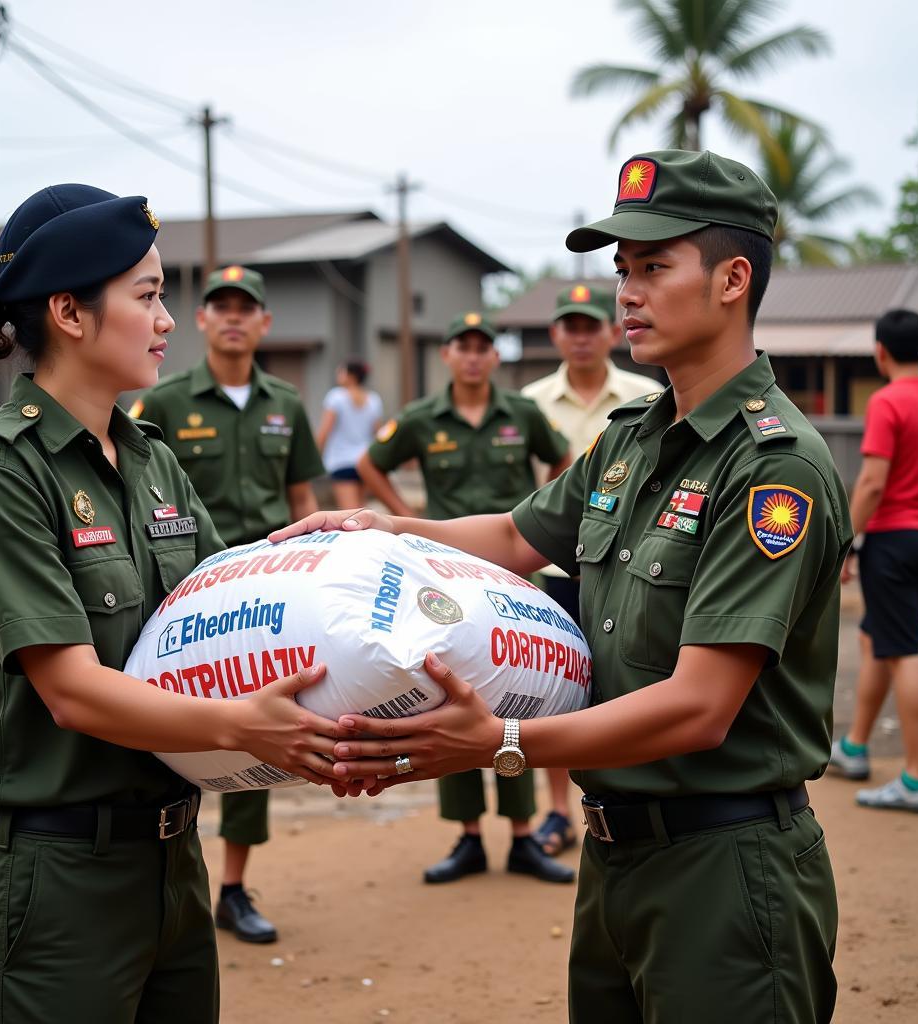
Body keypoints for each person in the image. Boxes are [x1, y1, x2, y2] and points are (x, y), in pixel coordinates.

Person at [277, 150, 851, 1023]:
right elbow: (515, 535)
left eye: (654, 267)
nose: (627, 291)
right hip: (614, 854)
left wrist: (500, 742)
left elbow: (700, 708)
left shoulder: (776, 469)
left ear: (734, 279)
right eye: (623, 270)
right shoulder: (630, 440)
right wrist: (388, 529)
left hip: (727, 867)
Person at [0, 186, 343, 1022]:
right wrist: (247, 727)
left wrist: (305, 556)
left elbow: (209, 604)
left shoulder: (150, 459)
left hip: (170, 863)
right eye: (148, 296)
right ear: (70, 313)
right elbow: (72, 690)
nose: (169, 321)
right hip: (55, 882)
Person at [129, 264, 324, 944]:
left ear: (265, 323)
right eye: (221, 306)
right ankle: (162, 872)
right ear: (204, 320)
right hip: (189, 592)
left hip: (271, 590)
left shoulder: (286, 403)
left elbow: (303, 499)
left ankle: (234, 886)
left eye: (248, 308)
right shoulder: (166, 401)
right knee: (175, 729)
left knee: (259, 727)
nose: (234, 317)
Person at [357, 311, 575, 885]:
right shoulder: (423, 418)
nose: (474, 356)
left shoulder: (521, 413)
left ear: (494, 357)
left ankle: (524, 833)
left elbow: (562, 462)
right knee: (447, 689)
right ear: (448, 355)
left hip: (513, 575)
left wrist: (538, 508)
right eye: (463, 347)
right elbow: (369, 464)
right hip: (444, 569)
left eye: (483, 347)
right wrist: (409, 520)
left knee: (516, 696)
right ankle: (469, 835)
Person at [521, 282, 655, 856]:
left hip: (628, 573)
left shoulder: (648, 396)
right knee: (555, 692)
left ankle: (620, 797)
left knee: (625, 686)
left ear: (609, 332)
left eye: (590, 326)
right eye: (569, 327)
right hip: (553, 571)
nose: (580, 337)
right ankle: (557, 809)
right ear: (556, 335)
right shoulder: (529, 402)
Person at [830, 308, 918, 812]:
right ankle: (855, 747)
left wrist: (844, 541)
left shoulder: (888, 401)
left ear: (880, 351)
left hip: (893, 541)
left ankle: (916, 778)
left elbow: (871, 481)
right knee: (876, 637)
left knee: (903, 648)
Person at [316, 360, 383, 510]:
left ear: (350, 376)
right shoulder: (374, 399)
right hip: (365, 462)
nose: (338, 375)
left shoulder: (336, 397)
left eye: (341, 372)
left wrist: (315, 458)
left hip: (341, 461)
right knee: (361, 510)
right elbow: (379, 434)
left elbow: (324, 432)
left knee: (349, 513)